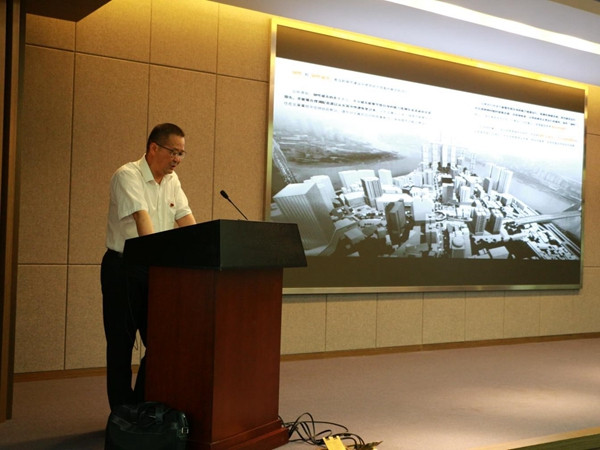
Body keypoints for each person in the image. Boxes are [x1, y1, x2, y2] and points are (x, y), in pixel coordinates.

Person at [100, 123, 196, 410]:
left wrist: (205, 253)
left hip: (157, 271)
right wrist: (161, 260)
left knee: (163, 342)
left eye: (181, 153)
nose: (177, 159)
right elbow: (143, 221)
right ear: (154, 148)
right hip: (124, 269)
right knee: (121, 346)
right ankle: (122, 415)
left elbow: (186, 220)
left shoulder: (172, 181)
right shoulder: (127, 175)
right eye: (173, 152)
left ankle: (140, 406)